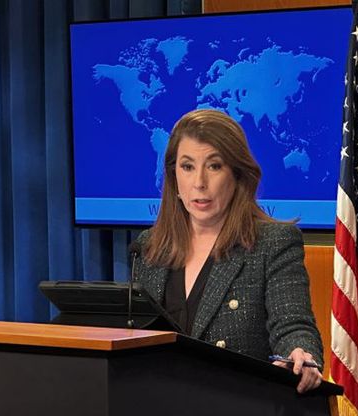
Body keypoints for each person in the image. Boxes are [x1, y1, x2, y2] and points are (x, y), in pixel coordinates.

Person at [134, 109, 323, 393]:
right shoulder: (149, 247)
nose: (199, 182)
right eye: (187, 167)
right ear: (174, 178)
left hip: (239, 405)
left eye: (214, 166)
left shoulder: (272, 243)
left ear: (237, 175)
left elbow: (293, 325)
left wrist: (300, 354)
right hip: (159, 406)